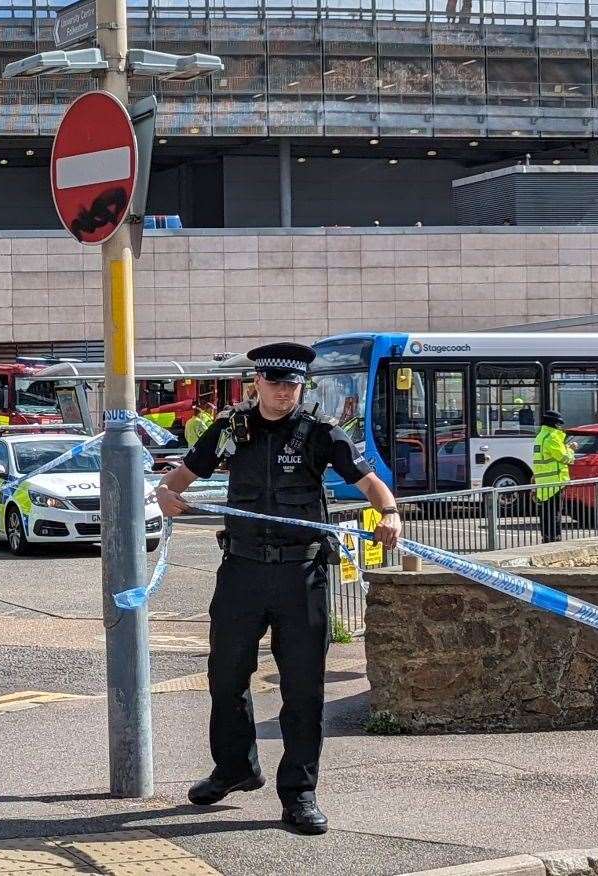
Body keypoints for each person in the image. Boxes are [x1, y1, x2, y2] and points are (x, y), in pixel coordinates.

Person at [154, 342, 402, 836]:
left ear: (300, 387)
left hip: (300, 574)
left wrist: (389, 512)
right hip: (242, 571)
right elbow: (181, 476)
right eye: (275, 383)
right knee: (226, 676)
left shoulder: (319, 432)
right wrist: (166, 494)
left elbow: (370, 481)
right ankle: (234, 768)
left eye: (292, 384)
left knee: (303, 687)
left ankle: (300, 791)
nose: (284, 392)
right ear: (258, 384)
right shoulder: (231, 430)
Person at [533, 410, 574, 544]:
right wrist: (571, 449)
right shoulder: (552, 437)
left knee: (545, 514)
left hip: (543, 483)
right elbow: (565, 458)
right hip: (555, 482)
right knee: (555, 514)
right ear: (554, 424)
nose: (560, 427)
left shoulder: (540, 436)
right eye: (559, 424)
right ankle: (555, 540)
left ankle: (547, 538)